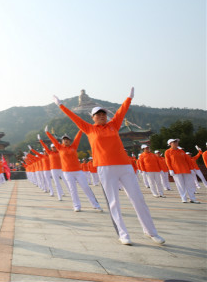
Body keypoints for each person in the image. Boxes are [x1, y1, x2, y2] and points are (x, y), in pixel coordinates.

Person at [54, 88, 165, 246]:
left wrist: (129, 98)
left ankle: (151, 231)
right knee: (113, 202)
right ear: (92, 117)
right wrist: (61, 105)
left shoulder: (114, 125)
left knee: (138, 199)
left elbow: (121, 111)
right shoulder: (89, 129)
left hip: (124, 166)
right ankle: (123, 233)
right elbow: (74, 118)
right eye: (98, 114)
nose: (101, 116)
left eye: (103, 114)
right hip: (105, 168)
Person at [44, 130, 102, 212]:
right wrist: (47, 133)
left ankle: (95, 204)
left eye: (67, 139)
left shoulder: (74, 146)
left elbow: (78, 137)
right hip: (67, 172)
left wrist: (81, 128)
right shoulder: (60, 147)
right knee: (72, 189)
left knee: (86, 187)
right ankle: (76, 205)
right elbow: (53, 140)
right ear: (62, 141)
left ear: (70, 141)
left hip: (78, 171)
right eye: (64, 139)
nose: (66, 140)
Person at [164, 139, 199, 203]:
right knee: (180, 185)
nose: (176, 143)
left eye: (176, 142)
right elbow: (167, 161)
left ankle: (192, 198)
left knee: (189, 184)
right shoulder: (168, 151)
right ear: (170, 144)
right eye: (174, 142)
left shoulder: (182, 151)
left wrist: (191, 169)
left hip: (186, 170)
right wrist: (170, 169)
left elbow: (188, 160)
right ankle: (184, 198)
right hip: (176, 171)